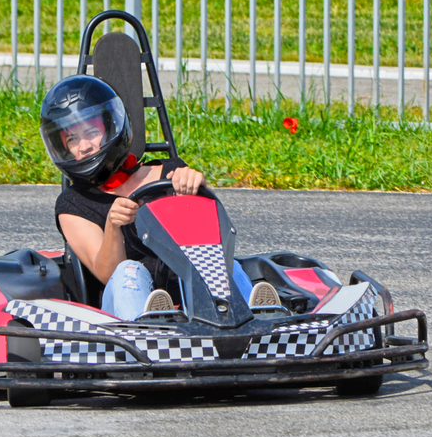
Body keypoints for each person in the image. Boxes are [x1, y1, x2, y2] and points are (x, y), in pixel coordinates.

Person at [39, 75, 279, 320]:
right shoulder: (73, 204)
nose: (84, 146)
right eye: (72, 139)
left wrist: (195, 188)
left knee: (225, 264)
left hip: (193, 304)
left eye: (90, 132)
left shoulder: (170, 174)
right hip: (122, 313)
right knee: (127, 270)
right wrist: (113, 226)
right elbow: (106, 273)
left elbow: (212, 241)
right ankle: (151, 324)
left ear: (113, 128)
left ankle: (255, 323)